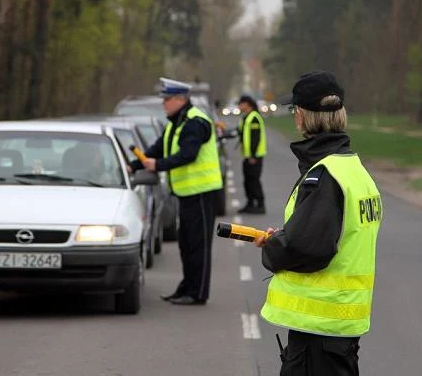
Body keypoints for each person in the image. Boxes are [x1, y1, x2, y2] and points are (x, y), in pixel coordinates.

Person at [254, 71, 382, 376]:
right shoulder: (354, 169)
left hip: (319, 331)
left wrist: (274, 246)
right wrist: (288, 236)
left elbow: (307, 248)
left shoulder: (324, 176)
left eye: (296, 111)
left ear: (301, 117)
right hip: (340, 327)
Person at [131, 77, 223, 305]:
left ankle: (197, 293)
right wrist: (133, 165)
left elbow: (188, 154)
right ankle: (187, 287)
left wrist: (158, 165)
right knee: (186, 243)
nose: (164, 103)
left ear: (181, 99)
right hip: (186, 195)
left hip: (201, 194)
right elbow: (158, 149)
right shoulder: (177, 122)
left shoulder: (196, 122)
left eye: (167, 99)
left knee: (198, 246)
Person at [236, 94, 267, 214]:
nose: (239, 106)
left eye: (240, 103)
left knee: (254, 180)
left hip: (255, 156)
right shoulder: (246, 117)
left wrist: (253, 155)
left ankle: (260, 205)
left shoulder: (254, 117)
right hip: (248, 156)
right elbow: (241, 132)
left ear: (247, 104)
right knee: (247, 180)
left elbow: (255, 138)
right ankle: (250, 203)